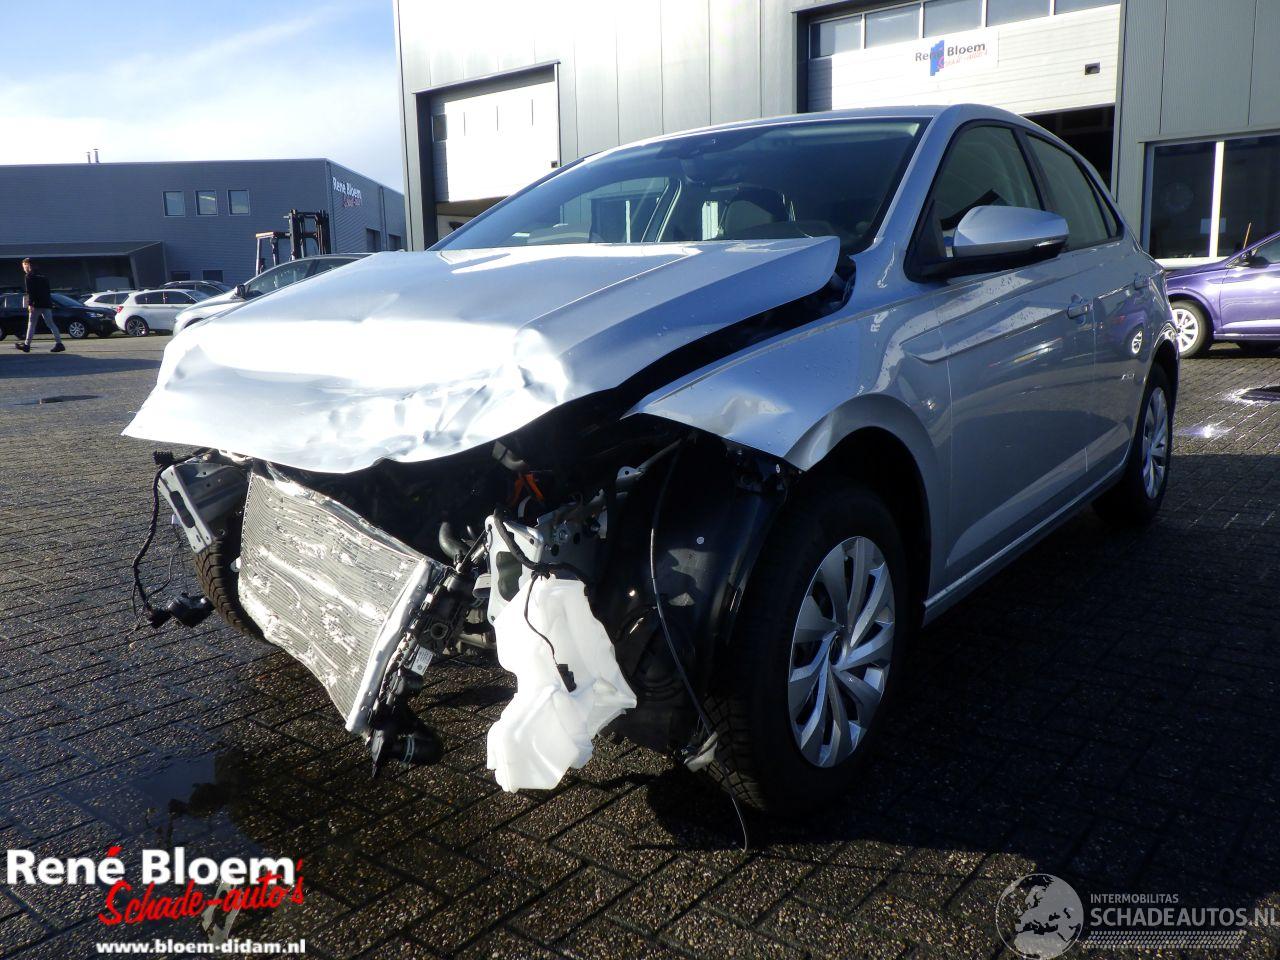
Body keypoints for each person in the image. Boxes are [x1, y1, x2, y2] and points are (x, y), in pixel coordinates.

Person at [17, 258, 65, 353]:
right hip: (46, 303)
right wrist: (49, 302)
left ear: (27, 265)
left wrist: (30, 304)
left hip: (36, 304)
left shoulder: (29, 276)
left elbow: (30, 291)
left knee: (31, 324)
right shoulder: (43, 276)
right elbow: (48, 291)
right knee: (51, 324)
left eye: (24, 266)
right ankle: (59, 343)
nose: (24, 269)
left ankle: (27, 345)